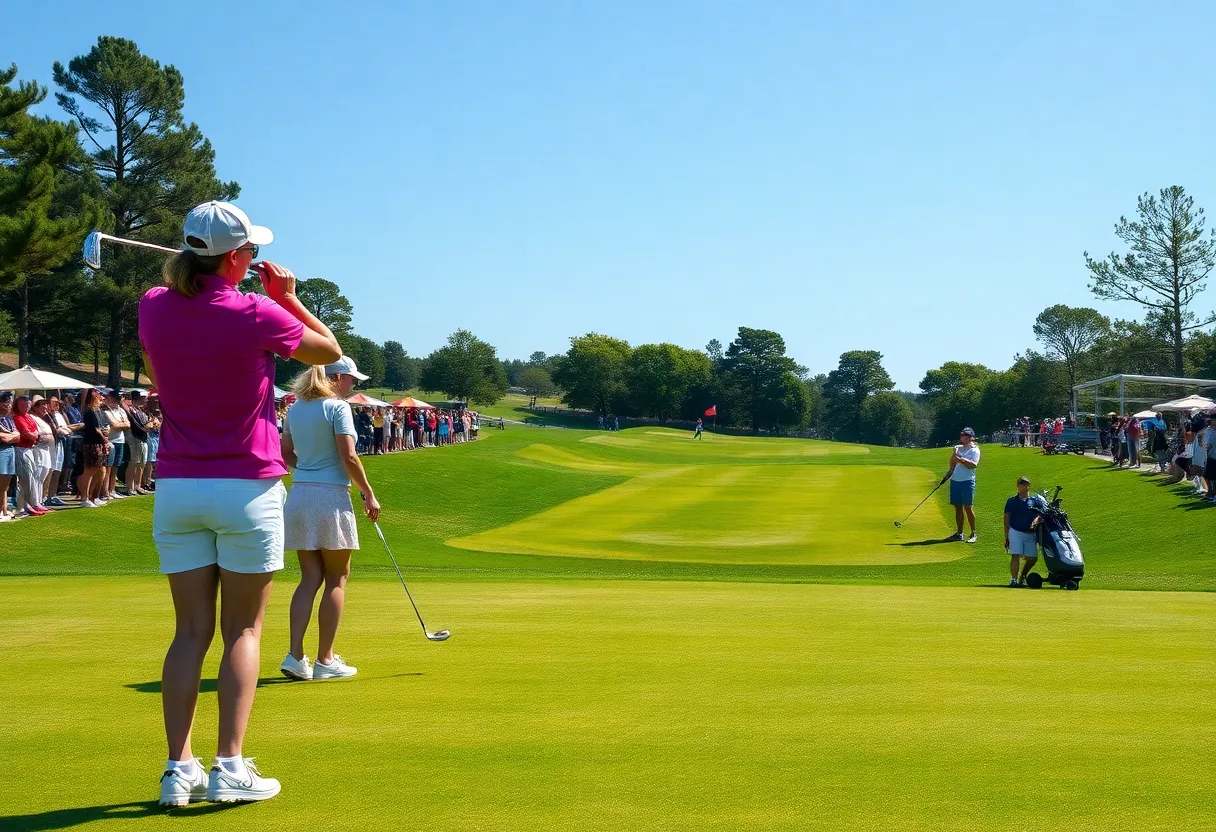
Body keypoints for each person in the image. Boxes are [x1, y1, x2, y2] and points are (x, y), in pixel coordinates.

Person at [139, 200, 341, 806]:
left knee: (188, 633)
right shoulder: (256, 311)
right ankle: (229, 766)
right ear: (235, 256)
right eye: (249, 250)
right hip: (246, 486)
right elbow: (328, 353)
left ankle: (179, 771)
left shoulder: (153, 304)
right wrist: (287, 296)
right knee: (243, 629)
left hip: (176, 486)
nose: (254, 259)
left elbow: (165, 354)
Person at [279, 356, 380, 682]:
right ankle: (325, 660)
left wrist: (308, 468)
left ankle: (296, 656)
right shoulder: (337, 409)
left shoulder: (296, 408)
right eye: (351, 379)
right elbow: (348, 455)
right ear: (335, 378)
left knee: (310, 577)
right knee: (337, 578)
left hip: (300, 496)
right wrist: (368, 493)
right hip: (330, 498)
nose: (353, 385)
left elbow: (286, 452)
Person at [1003, 476, 1044, 587]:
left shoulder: (1035, 501)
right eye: (1021, 485)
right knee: (1015, 555)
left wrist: (1036, 520)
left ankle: (1023, 576)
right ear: (1018, 487)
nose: (1024, 487)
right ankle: (1014, 580)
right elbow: (1007, 517)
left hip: (1030, 533)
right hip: (1015, 530)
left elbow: (1041, 514)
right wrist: (1006, 535)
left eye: (1026, 485)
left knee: (1032, 558)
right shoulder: (1012, 501)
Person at [945, 427, 981, 542]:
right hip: (955, 481)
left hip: (967, 481)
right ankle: (959, 534)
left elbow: (972, 465)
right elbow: (952, 463)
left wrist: (958, 458)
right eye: (962, 435)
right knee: (958, 507)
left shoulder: (974, 450)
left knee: (968, 507)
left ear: (971, 437)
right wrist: (953, 456)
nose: (963, 437)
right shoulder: (958, 448)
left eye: (966, 435)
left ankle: (973, 533)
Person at [78, 388, 110, 508]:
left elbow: (102, 426)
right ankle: (85, 498)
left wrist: (105, 434)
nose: (101, 396)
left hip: (99, 443)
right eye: (98, 394)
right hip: (91, 443)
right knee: (89, 471)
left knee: (101, 470)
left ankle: (94, 497)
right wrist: (105, 438)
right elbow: (94, 429)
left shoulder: (98, 411)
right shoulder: (89, 411)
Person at [102, 389, 130, 500]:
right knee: (108, 467)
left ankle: (112, 490)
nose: (118, 401)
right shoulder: (106, 411)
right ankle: (105, 491)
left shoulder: (121, 410)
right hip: (111, 440)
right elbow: (114, 424)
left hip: (120, 440)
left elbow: (128, 424)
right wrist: (120, 424)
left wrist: (120, 424)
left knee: (116, 467)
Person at [125, 390, 152, 495]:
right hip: (135, 439)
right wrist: (150, 423)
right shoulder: (132, 411)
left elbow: (149, 425)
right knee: (133, 463)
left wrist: (149, 423)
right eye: (144, 398)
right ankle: (130, 487)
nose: (146, 400)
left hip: (143, 439)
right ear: (138, 398)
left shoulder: (141, 411)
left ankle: (138, 486)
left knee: (141, 464)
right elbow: (145, 427)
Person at [0, 393, 18, 521]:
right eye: (6, 402)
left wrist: (10, 436)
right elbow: (3, 438)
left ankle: (4, 511)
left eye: (10, 403)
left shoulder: (8, 419)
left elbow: (18, 436)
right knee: (1, 483)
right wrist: (11, 436)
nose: (9, 405)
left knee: (6, 484)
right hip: (1, 451)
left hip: (10, 451)